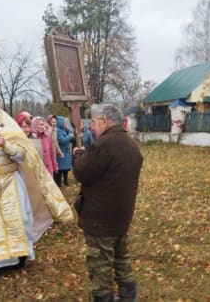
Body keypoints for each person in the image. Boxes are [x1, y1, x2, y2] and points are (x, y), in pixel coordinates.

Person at [0, 87, 73, 282]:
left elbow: (23, 154)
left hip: (10, 180)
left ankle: (19, 258)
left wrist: (6, 145)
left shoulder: (9, 124)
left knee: (18, 220)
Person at [72, 103, 143, 302]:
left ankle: (104, 298)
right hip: (121, 217)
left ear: (104, 121)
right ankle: (129, 297)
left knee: (100, 267)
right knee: (122, 259)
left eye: (93, 122)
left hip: (100, 220)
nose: (92, 127)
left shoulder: (103, 144)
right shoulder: (132, 144)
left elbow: (82, 173)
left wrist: (78, 155)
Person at [55, 116, 74, 187]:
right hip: (61, 152)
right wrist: (70, 136)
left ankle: (66, 182)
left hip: (65, 152)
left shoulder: (64, 129)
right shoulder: (58, 130)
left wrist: (68, 132)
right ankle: (59, 184)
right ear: (60, 122)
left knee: (66, 169)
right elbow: (62, 141)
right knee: (60, 169)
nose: (65, 124)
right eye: (64, 122)